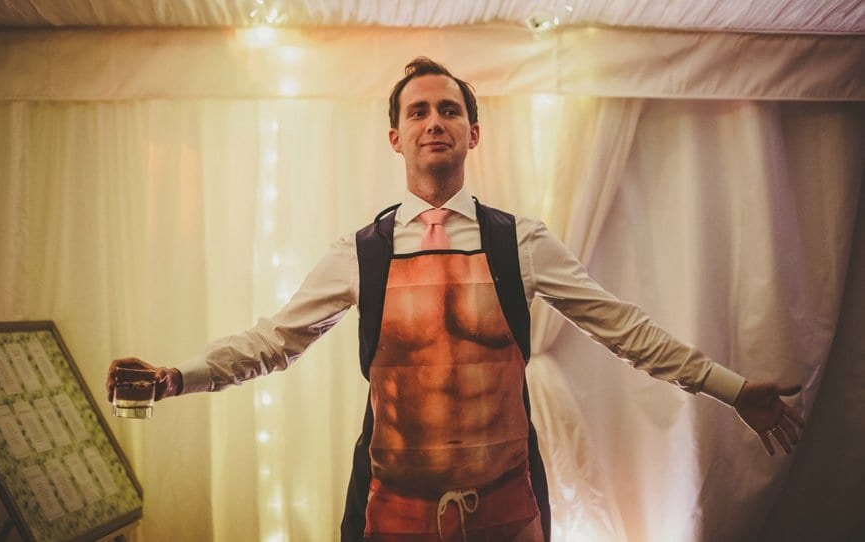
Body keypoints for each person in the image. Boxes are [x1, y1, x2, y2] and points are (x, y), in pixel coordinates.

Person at [107, 57, 805, 542]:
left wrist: (732, 389)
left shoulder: (521, 241)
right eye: (418, 111)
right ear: (396, 137)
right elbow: (272, 342)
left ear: (473, 133)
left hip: (510, 516)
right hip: (390, 519)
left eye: (449, 109)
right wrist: (174, 378)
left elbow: (626, 330)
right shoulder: (361, 252)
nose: (434, 121)